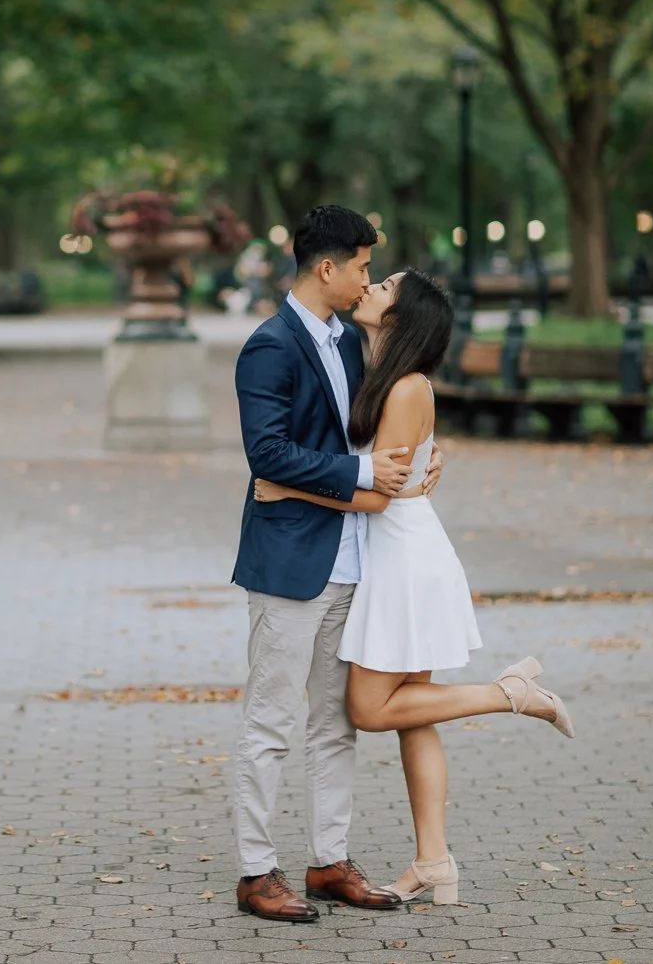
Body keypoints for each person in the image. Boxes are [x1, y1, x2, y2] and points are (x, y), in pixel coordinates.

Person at [255, 266, 573, 909]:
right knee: (412, 715)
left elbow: (380, 494)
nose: (371, 286)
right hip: (400, 551)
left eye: (386, 285)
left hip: (403, 560)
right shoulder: (390, 378)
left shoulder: (403, 387)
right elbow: (395, 471)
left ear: (402, 318)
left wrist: (285, 487)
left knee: (370, 710)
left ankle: (505, 693)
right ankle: (434, 863)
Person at [231, 205, 443, 924]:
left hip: (357, 561)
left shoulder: (357, 345)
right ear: (328, 268)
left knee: (334, 724)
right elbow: (267, 454)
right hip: (290, 562)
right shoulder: (269, 346)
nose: (366, 280)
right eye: (361, 267)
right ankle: (257, 871)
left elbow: (391, 423)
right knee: (270, 723)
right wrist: (359, 473)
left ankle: (329, 860)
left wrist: (421, 462)